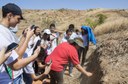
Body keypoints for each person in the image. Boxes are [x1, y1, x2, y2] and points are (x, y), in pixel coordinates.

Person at [0, 3, 40, 84]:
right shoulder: (2, 33)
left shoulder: (6, 31)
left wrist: (25, 37)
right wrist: (35, 55)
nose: (19, 22)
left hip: (13, 77)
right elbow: (16, 65)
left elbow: (16, 53)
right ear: (10, 15)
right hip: (7, 79)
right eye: (18, 19)